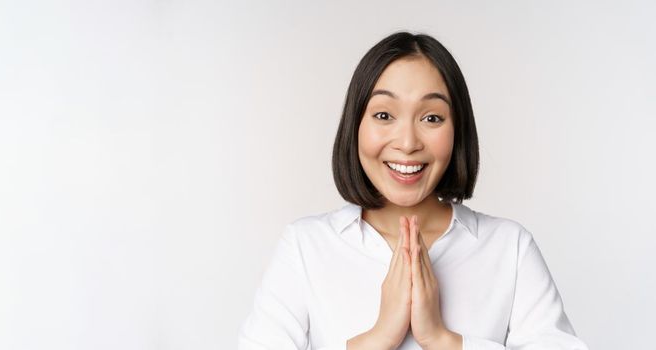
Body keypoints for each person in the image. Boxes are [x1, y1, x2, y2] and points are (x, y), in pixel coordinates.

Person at [237, 31, 588, 350]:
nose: (407, 143)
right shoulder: (305, 246)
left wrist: (442, 339)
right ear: (355, 125)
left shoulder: (510, 248)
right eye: (384, 115)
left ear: (458, 130)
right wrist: (376, 340)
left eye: (431, 118)